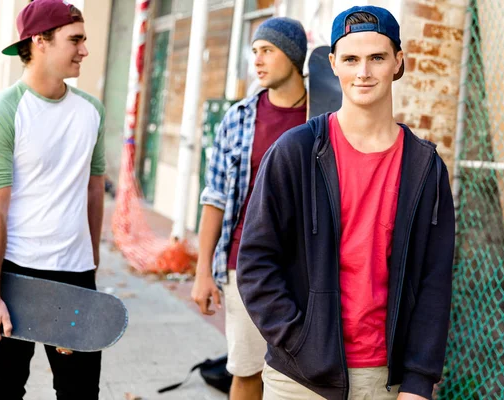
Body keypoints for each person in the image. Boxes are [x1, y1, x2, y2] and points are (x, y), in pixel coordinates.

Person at [237, 6, 455, 400]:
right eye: (351, 59)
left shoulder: (425, 168)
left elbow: (434, 281)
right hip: (300, 379)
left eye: (377, 58)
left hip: (385, 379)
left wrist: (420, 380)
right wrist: (300, 342)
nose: (363, 72)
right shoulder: (295, 152)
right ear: (333, 64)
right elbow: (255, 262)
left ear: (398, 63)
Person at [0, 0, 105, 398]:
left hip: (76, 272)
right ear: (40, 42)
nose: (84, 49)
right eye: (75, 39)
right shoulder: (2, 111)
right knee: (6, 386)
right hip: (17, 272)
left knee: (81, 390)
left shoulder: (91, 111)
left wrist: (92, 266)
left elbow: (94, 190)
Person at [191, 16, 309, 400]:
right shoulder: (238, 119)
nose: (257, 60)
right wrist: (203, 272)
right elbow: (215, 198)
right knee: (247, 370)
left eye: (268, 51)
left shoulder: (325, 117)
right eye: (254, 51)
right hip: (246, 262)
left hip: (308, 265)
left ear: (293, 56)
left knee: (302, 374)